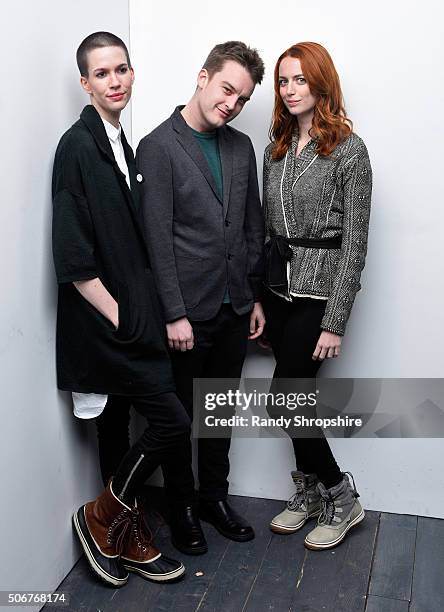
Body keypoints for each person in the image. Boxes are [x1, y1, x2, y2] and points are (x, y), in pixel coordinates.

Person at [52, 31, 188, 586]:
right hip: (106, 325)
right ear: (85, 83)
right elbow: (74, 257)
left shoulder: (119, 142)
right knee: (170, 420)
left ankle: (119, 530)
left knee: (119, 431)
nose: (116, 81)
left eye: (122, 70)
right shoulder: (77, 146)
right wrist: (123, 318)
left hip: (131, 319)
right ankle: (104, 518)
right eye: (103, 74)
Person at [136, 41, 266, 555]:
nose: (231, 104)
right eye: (227, 89)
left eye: (242, 98)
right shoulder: (158, 145)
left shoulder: (240, 147)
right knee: (181, 420)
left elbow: (252, 226)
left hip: (234, 309)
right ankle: (182, 505)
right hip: (187, 314)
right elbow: (157, 240)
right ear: (202, 77)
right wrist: (174, 313)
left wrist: (252, 296)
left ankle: (215, 499)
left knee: (218, 415)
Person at [262, 42, 372, 550]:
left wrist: (336, 320)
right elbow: (266, 230)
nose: (289, 90)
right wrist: (259, 298)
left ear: (321, 83)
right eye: (283, 81)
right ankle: (307, 493)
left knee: (284, 400)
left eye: (300, 80)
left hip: (320, 293)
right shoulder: (275, 150)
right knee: (294, 399)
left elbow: (355, 242)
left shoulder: (350, 150)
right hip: (279, 288)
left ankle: (341, 496)